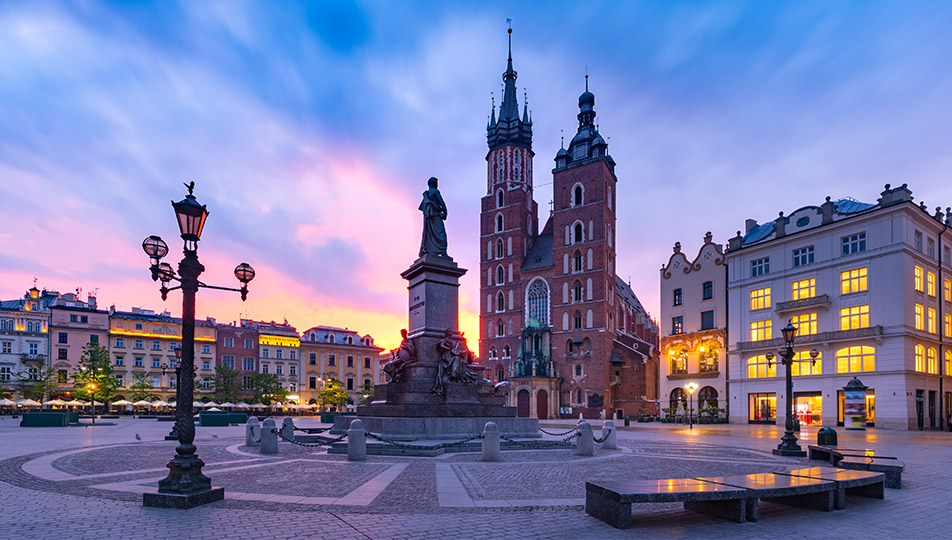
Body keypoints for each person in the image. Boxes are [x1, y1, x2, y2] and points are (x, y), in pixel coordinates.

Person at [419, 177, 448, 257]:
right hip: (435, 216)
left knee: (429, 234)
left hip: (429, 218)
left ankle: (429, 250)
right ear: (433, 183)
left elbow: (423, 208)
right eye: (436, 182)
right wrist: (445, 212)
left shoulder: (426, 195)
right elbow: (441, 202)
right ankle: (443, 251)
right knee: (441, 233)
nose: (437, 184)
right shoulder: (435, 191)